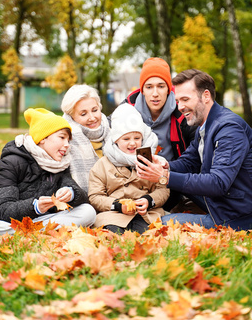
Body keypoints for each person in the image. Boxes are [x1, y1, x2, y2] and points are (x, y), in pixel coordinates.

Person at [136, 69, 252, 231]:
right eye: (177, 101)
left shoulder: (229, 129)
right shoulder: (205, 124)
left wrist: (165, 177)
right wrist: (166, 166)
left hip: (247, 213)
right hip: (229, 198)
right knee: (174, 185)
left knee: (160, 224)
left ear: (206, 96)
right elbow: (189, 162)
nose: (180, 107)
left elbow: (218, 183)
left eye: (185, 99)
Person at [0, 108, 96, 236]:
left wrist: (71, 193)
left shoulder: (61, 163)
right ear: (43, 138)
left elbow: (79, 195)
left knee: (88, 212)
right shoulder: (11, 162)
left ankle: (26, 232)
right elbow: (1, 208)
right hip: (7, 220)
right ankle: (36, 231)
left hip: (43, 219)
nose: (67, 145)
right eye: (62, 138)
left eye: (68, 140)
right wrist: (34, 207)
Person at [88, 104, 169, 234]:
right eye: (126, 139)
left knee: (149, 234)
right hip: (113, 214)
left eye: (137, 138)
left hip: (145, 213)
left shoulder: (152, 161)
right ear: (116, 141)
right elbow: (95, 196)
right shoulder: (103, 164)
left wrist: (149, 200)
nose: (132, 143)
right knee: (112, 233)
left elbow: (162, 189)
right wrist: (117, 205)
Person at [121, 57, 197, 161]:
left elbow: (195, 155)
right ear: (142, 90)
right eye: (149, 87)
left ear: (168, 89)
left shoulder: (183, 112)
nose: (155, 94)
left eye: (161, 86)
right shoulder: (126, 109)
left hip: (173, 173)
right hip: (134, 174)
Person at [61, 84, 110, 193]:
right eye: (83, 114)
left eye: (95, 110)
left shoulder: (112, 132)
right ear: (71, 116)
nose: (92, 118)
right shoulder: (64, 140)